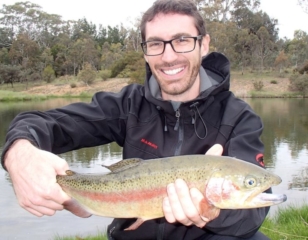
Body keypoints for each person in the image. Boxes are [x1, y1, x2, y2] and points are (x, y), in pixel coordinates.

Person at [1, 0, 271, 239]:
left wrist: (213, 213)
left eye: (182, 40)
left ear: (204, 45)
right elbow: (39, 122)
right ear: (145, 51)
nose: (168, 56)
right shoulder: (128, 105)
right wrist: (19, 154)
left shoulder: (239, 118)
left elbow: (250, 219)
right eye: (156, 44)